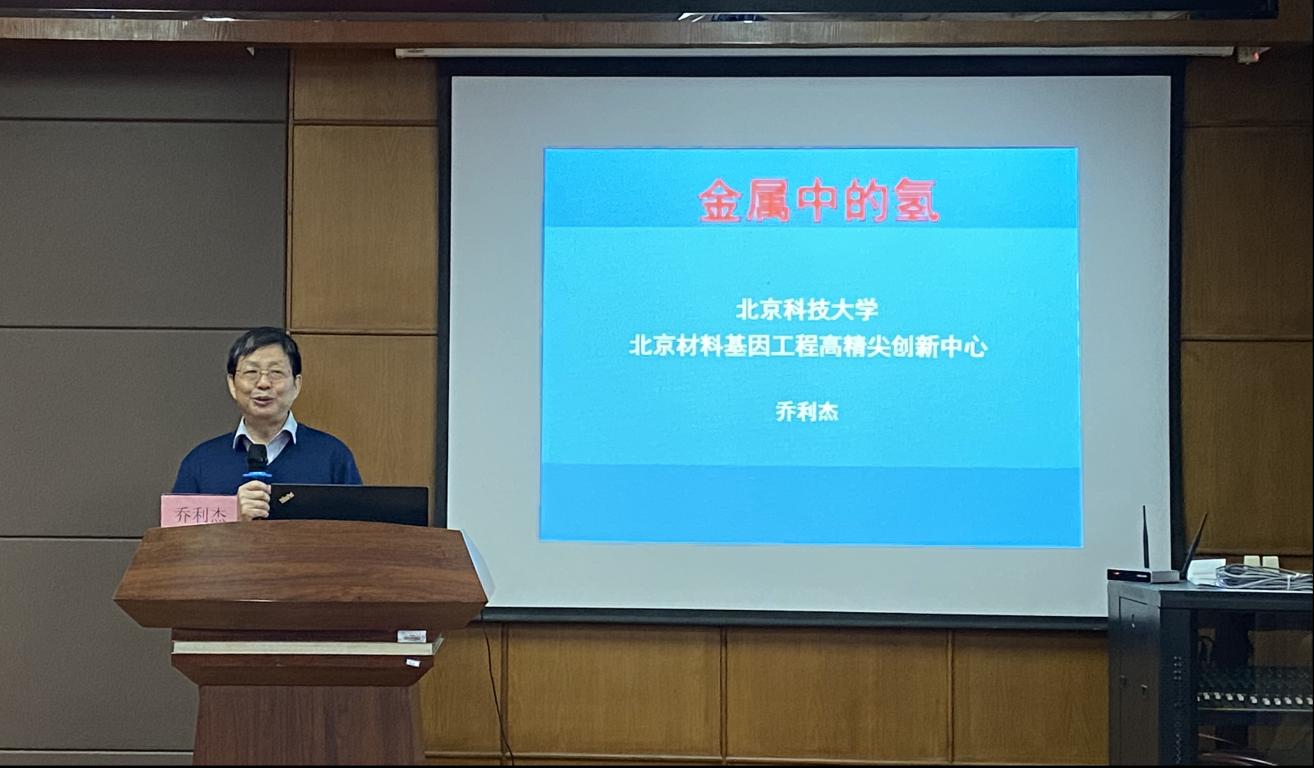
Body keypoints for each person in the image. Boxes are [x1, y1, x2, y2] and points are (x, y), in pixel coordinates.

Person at [172, 327, 361, 521]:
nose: (263, 383)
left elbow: (361, 532)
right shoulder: (200, 462)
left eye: (276, 372)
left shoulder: (332, 456)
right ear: (232, 384)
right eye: (251, 372)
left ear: (296, 384)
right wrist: (232, 516)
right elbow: (177, 537)